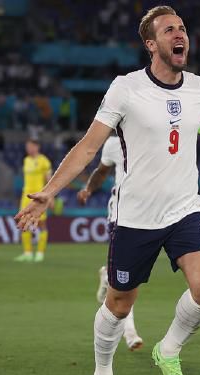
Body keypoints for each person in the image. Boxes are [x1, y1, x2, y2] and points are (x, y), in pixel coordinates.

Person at [15, 6, 200, 375]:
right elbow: (88, 147)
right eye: (170, 30)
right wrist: (49, 192)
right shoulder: (126, 89)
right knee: (119, 306)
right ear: (151, 44)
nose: (181, 35)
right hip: (136, 215)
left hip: (184, 209)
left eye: (183, 28)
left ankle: (168, 350)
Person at [77, 136, 144, 352]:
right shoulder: (113, 143)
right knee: (128, 276)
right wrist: (88, 189)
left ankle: (108, 275)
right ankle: (130, 333)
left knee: (132, 270)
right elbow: (102, 171)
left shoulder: (153, 135)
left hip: (149, 209)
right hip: (121, 209)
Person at [14, 139, 52, 262]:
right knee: (22, 221)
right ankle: (28, 253)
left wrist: (50, 197)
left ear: (37, 147)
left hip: (39, 197)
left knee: (41, 224)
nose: (28, 149)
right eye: (27, 146)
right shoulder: (26, 160)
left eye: (30, 146)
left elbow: (49, 180)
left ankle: (40, 253)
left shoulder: (44, 161)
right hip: (26, 196)